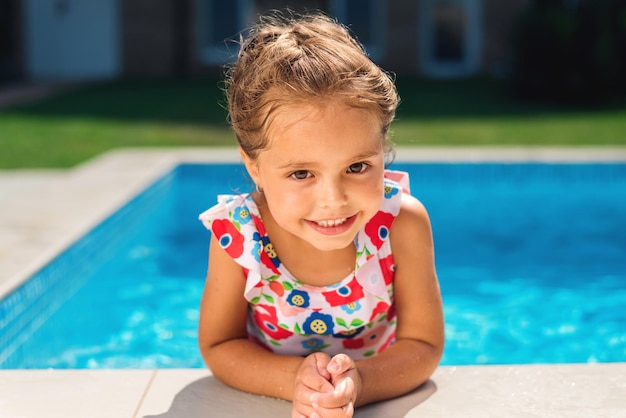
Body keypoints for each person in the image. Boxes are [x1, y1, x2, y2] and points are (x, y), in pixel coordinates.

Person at [198, 11, 444, 418]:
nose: (333, 200)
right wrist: (293, 381)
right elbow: (219, 345)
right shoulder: (240, 237)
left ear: (382, 150)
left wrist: (361, 382)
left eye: (357, 167)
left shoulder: (402, 223)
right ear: (254, 167)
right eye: (301, 173)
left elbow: (424, 344)